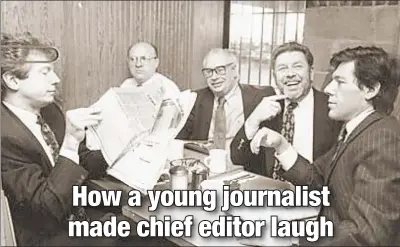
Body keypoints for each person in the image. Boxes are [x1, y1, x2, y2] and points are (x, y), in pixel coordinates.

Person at [0, 32, 173, 247]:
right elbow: (45, 209)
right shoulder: (5, 136)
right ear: (13, 80)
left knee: (157, 219)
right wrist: (71, 141)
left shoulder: (50, 111)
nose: (56, 79)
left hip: (75, 209)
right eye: (45, 72)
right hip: (46, 233)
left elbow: (82, 160)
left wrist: (123, 147)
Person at [246, 46, 400, 246]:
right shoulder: (358, 129)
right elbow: (317, 179)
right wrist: (282, 146)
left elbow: (366, 233)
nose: (327, 89)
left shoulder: (382, 139)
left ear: (370, 89)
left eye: (340, 82)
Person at [230, 42, 342, 177]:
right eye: (282, 68)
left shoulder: (332, 108)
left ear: (311, 72)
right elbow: (237, 158)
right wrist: (253, 120)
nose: (290, 74)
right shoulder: (265, 104)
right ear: (274, 76)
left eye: (297, 66)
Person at [176, 48, 279, 170]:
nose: (214, 77)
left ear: (234, 69)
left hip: (245, 170)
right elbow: (177, 140)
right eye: (208, 72)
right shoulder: (195, 100)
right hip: (205, 168)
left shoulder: (260, 97)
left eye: (220, 70)